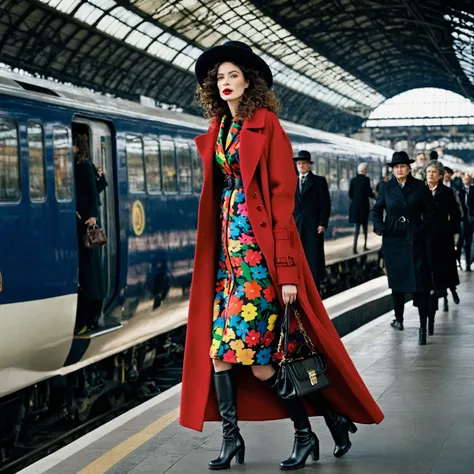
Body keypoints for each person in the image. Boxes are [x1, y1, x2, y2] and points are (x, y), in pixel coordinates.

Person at [179, 40, 384, 471]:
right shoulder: (221, 128)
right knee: (218, 354)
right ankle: (238, 440)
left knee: (258, 364)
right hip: (228, 263)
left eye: (233, 75)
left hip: (259, 262)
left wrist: (288, 272)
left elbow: (283, 203)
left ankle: (308, 434)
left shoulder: (266, 125)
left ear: (249, 81)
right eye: (219, 77)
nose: (226, 83)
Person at [372, 151, 434, 345]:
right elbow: (376, 210)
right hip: (394, 240)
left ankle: (423, 326)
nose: (399, 169)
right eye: (396, 167)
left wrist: (421, 228)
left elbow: (431, 211)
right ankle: (399, 319)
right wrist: (381, 228)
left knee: (421, 285)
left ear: (409, 168)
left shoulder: (420, 187)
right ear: (393, 169)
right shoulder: (386, 187)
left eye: (402, 166)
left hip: (416, 241)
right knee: (397, 283)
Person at [74, 134, 106, 334]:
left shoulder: (83, 166)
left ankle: (89, 317)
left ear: (78, 147)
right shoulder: (83, 166)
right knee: (89, 273)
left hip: (87, 225)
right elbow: (100, 185)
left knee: (89, 274)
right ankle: (90, 316)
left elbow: (93, 192)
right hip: (84, 220)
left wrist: (92, 216)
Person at [424, 161, 461, 332]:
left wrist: (449, 232)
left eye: (433, 172)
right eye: (428, 171)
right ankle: (429, 316)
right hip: (425, 240)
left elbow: (455, 215)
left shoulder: (447, 193)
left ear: (440, 175)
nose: (430, 174)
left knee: (442, 274)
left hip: (442, 241)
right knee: (429, 279)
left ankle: (447, 292)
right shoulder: (420, 191)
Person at [293, 150, 331, 289]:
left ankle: (315, 285)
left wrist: (322, 223)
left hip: (313, 226)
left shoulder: (319, 181)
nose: (301, 166)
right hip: (297, 226)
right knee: (298, 257)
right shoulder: (292, 182)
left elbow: (325, 204)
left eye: (304, 163)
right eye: (299, 163)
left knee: (313, 258)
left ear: (309, 165)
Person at [349, 162, 375, 254]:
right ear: (364, 170)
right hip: (364, 207)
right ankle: (364, 246)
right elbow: (369, 193)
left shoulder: (353, 180)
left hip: (355, 207)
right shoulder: (366, 180)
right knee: (365, 227)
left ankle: (354, 248)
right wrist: (375, 196)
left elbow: (350, 194)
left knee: (356, 228)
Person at [458, 173, 474, 271]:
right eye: (465, 178)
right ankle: (459, 262)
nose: (466, 180)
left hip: (471, 220)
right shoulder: (459, 191)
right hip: (461, 221)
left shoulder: (473, 190)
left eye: (468, 178)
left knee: (469, 243)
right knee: (460, 243)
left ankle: (468, 263)